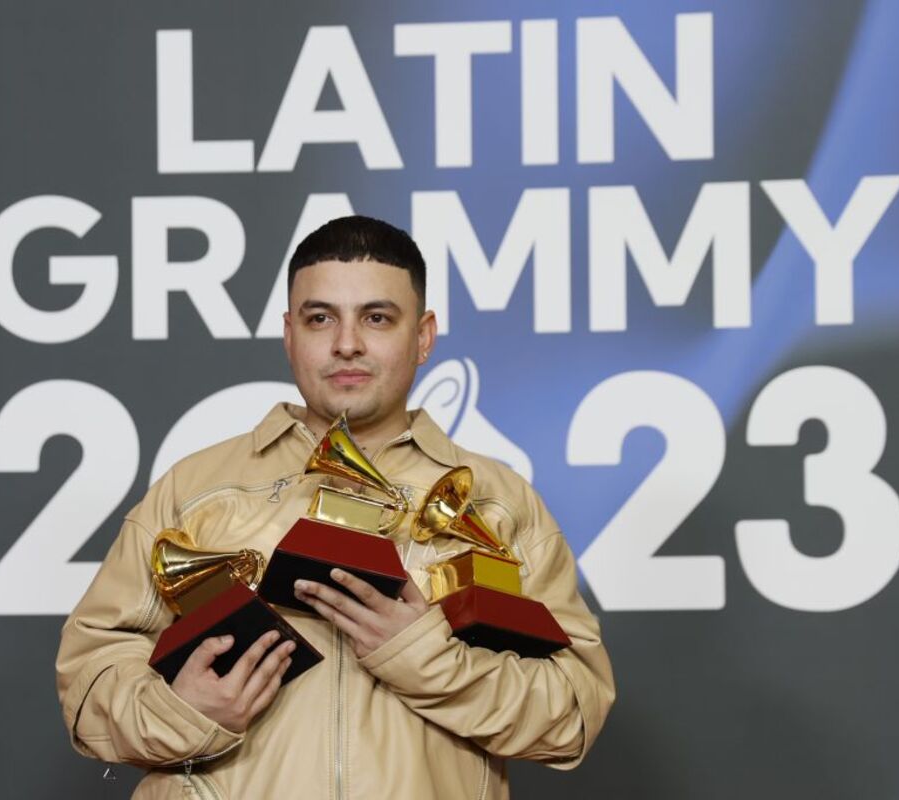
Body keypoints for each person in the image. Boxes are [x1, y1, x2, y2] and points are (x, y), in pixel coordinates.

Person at [56, 215, 615, 799]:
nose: (346, 343)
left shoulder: (500, 503)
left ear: (423, 336)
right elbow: (88, 679)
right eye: (320, 318)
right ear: (289, 335)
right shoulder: (192, 489)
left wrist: (424, 656)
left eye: (377, 318)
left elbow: (573, 714)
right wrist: (181, 712)